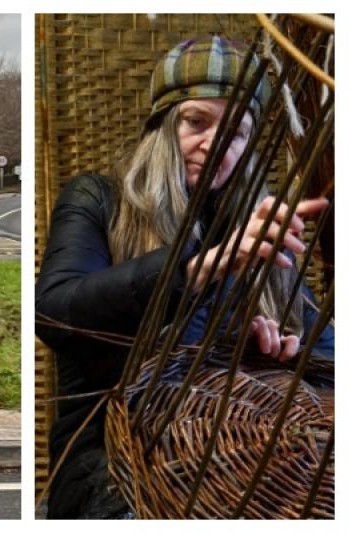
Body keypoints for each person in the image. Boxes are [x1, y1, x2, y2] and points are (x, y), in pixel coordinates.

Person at [35, 36, 333, 519]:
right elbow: (55, 312)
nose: (215, 144)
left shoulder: (261, 228)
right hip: (111, 460)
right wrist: (202, 268)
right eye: (196, 122)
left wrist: (279, 358)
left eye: (237, 133)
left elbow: (329, 356)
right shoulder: (99, 200)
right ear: (162, 125)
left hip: (243, 467)